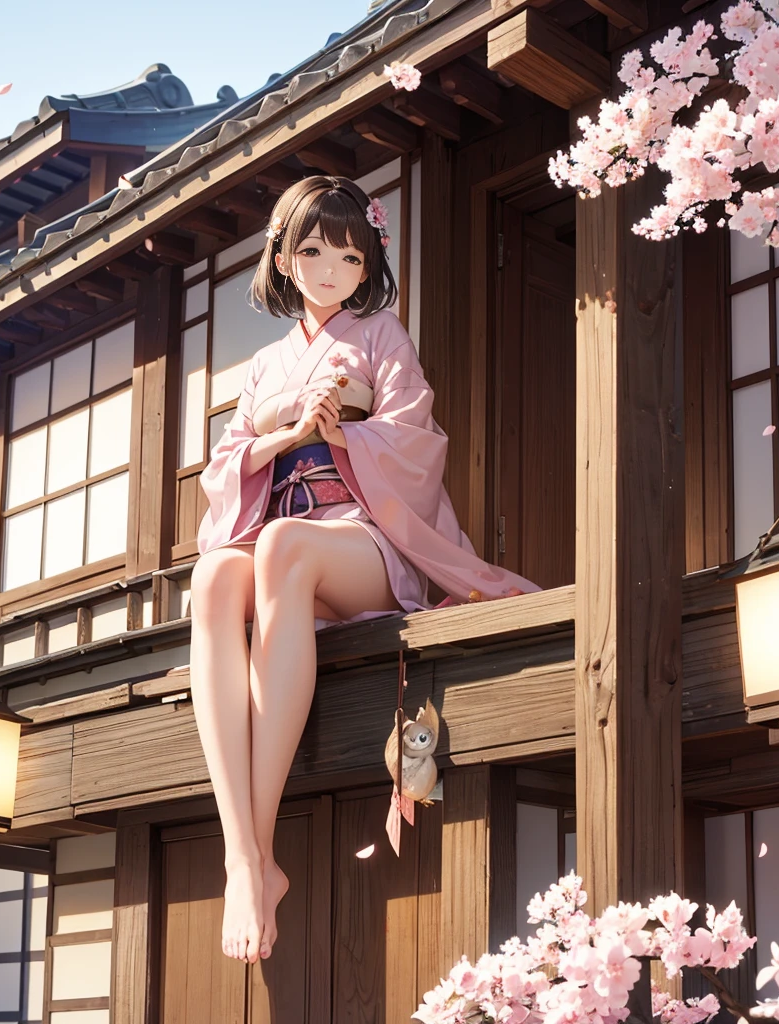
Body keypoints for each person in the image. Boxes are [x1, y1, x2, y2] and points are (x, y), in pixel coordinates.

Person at [189, 175, 538, 965]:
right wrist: (283, 432)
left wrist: (344, 433)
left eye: (348, 255)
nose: (328, 268)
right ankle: (244, 855)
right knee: (212, 577)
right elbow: (223, 470)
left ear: (365, 263)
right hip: (282, 533)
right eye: (310, 251)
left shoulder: (382, 335)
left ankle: (260, 838)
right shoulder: (264, 365)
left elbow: (417, 437)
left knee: (282, 547)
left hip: (362, 541)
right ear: (281, 258)